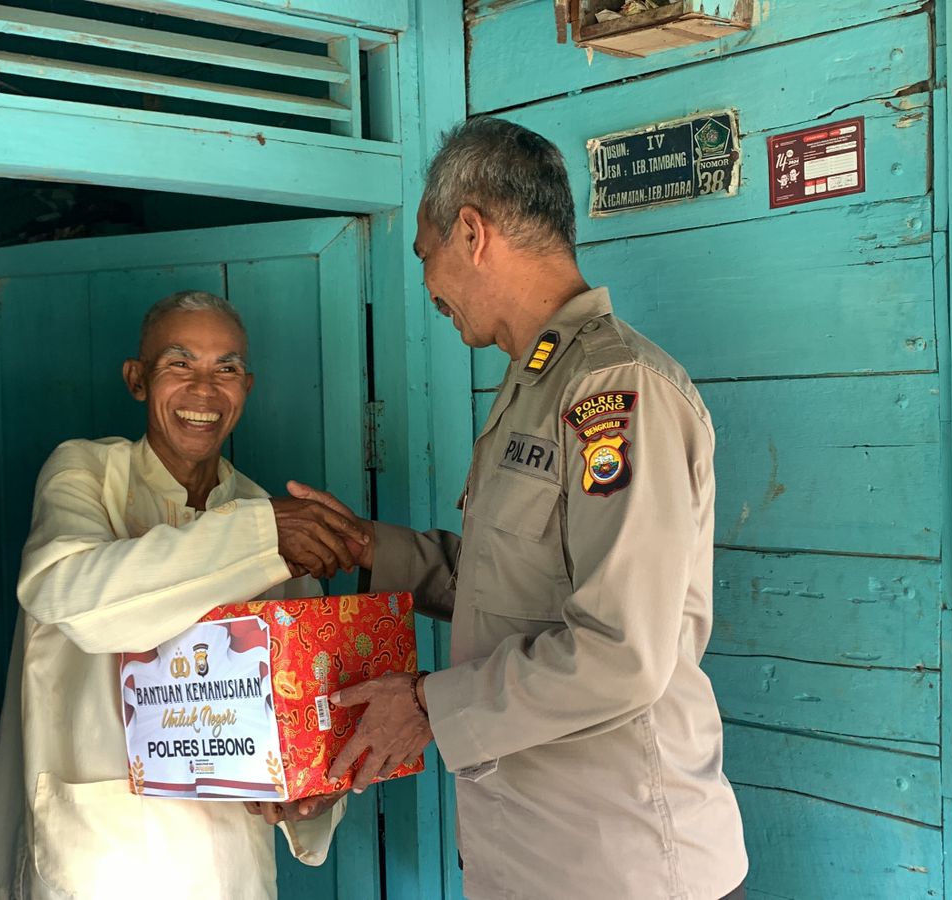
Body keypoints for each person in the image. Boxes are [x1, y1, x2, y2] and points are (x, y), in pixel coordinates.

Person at [302, 117, 749, 899]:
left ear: (471, 232)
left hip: (623, 864)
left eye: (424, 256)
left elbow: (620, 651)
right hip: (536, 858)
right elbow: (509, 586)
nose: (428, 285)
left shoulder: (615, 389)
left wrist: (426, 707)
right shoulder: (533, 383)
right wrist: (370, 547)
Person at [0, 290, 366, 900]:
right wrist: (262, 534)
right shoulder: (86, 473)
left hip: (229, 859)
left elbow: (307, 704)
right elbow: (74, 598)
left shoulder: (271, 518)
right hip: (102, 851)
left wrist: (313, 793)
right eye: (181, 364)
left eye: (226, 369)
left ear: (247, 387)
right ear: (136, 379)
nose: (205, 390)